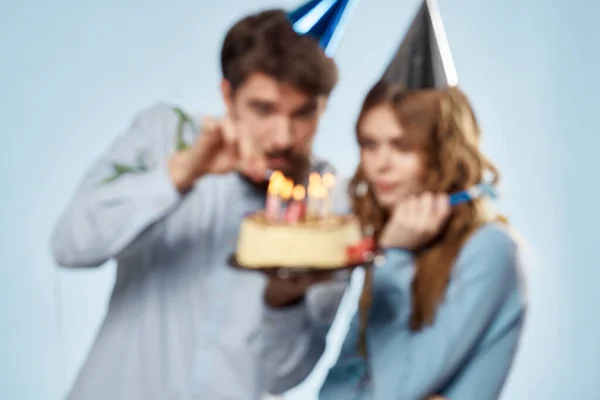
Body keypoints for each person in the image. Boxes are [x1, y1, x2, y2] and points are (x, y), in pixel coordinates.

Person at [50, 9, 345, 400]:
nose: (283, 137)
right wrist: (183, 172)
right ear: (228, 95)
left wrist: (284, 300)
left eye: (304, 114)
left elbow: (282, 377)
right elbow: (71, 245)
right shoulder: (164, 136)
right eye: (264, 109)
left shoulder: (328, 208)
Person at [259, 81, 527, 399]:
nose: (380, 164)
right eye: (370, 145)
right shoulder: (386, 236)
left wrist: (394, 255)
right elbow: (334, 391)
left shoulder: (488, 250)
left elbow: (397, 388)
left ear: (443, 151)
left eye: (402, 147)